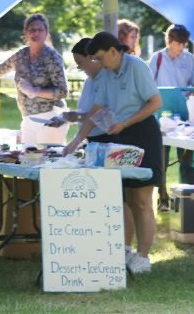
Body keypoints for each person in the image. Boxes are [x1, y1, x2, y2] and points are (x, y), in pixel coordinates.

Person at [63, 32, 163, 274]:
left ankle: (143, 257)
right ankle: (127, 250)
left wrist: (126, 123)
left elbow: (155, 103)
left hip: (143, 133)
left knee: (142, 201)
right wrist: (76, 140)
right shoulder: (107, 73)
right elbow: (97, 109)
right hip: (121, 135)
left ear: (113, 51)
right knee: (129, 199)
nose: (98, 63)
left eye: (99, 58)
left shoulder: (136, 66)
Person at [149, 24, 194, 210]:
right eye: (179, 43)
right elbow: (148, 86)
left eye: (184, 43)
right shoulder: (157, 58)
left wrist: (192, 92)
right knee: (161, 160)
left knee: (186, 160)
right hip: (161, 117)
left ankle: (188, 199)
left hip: (185, 117)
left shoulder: (189, 59)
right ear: (170, 41)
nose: (182, 47)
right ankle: (163, 198)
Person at [0, 13, 69, 144]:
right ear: (26, 33)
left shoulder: (52, 57)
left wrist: (35, 91)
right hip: (28, 119)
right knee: (27, 155)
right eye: (32, 29)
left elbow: (62, 91)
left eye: (40, 30)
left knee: (48, 157)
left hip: (51, 119)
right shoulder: (21, 55)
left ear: (46, 33)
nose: (36, 33)